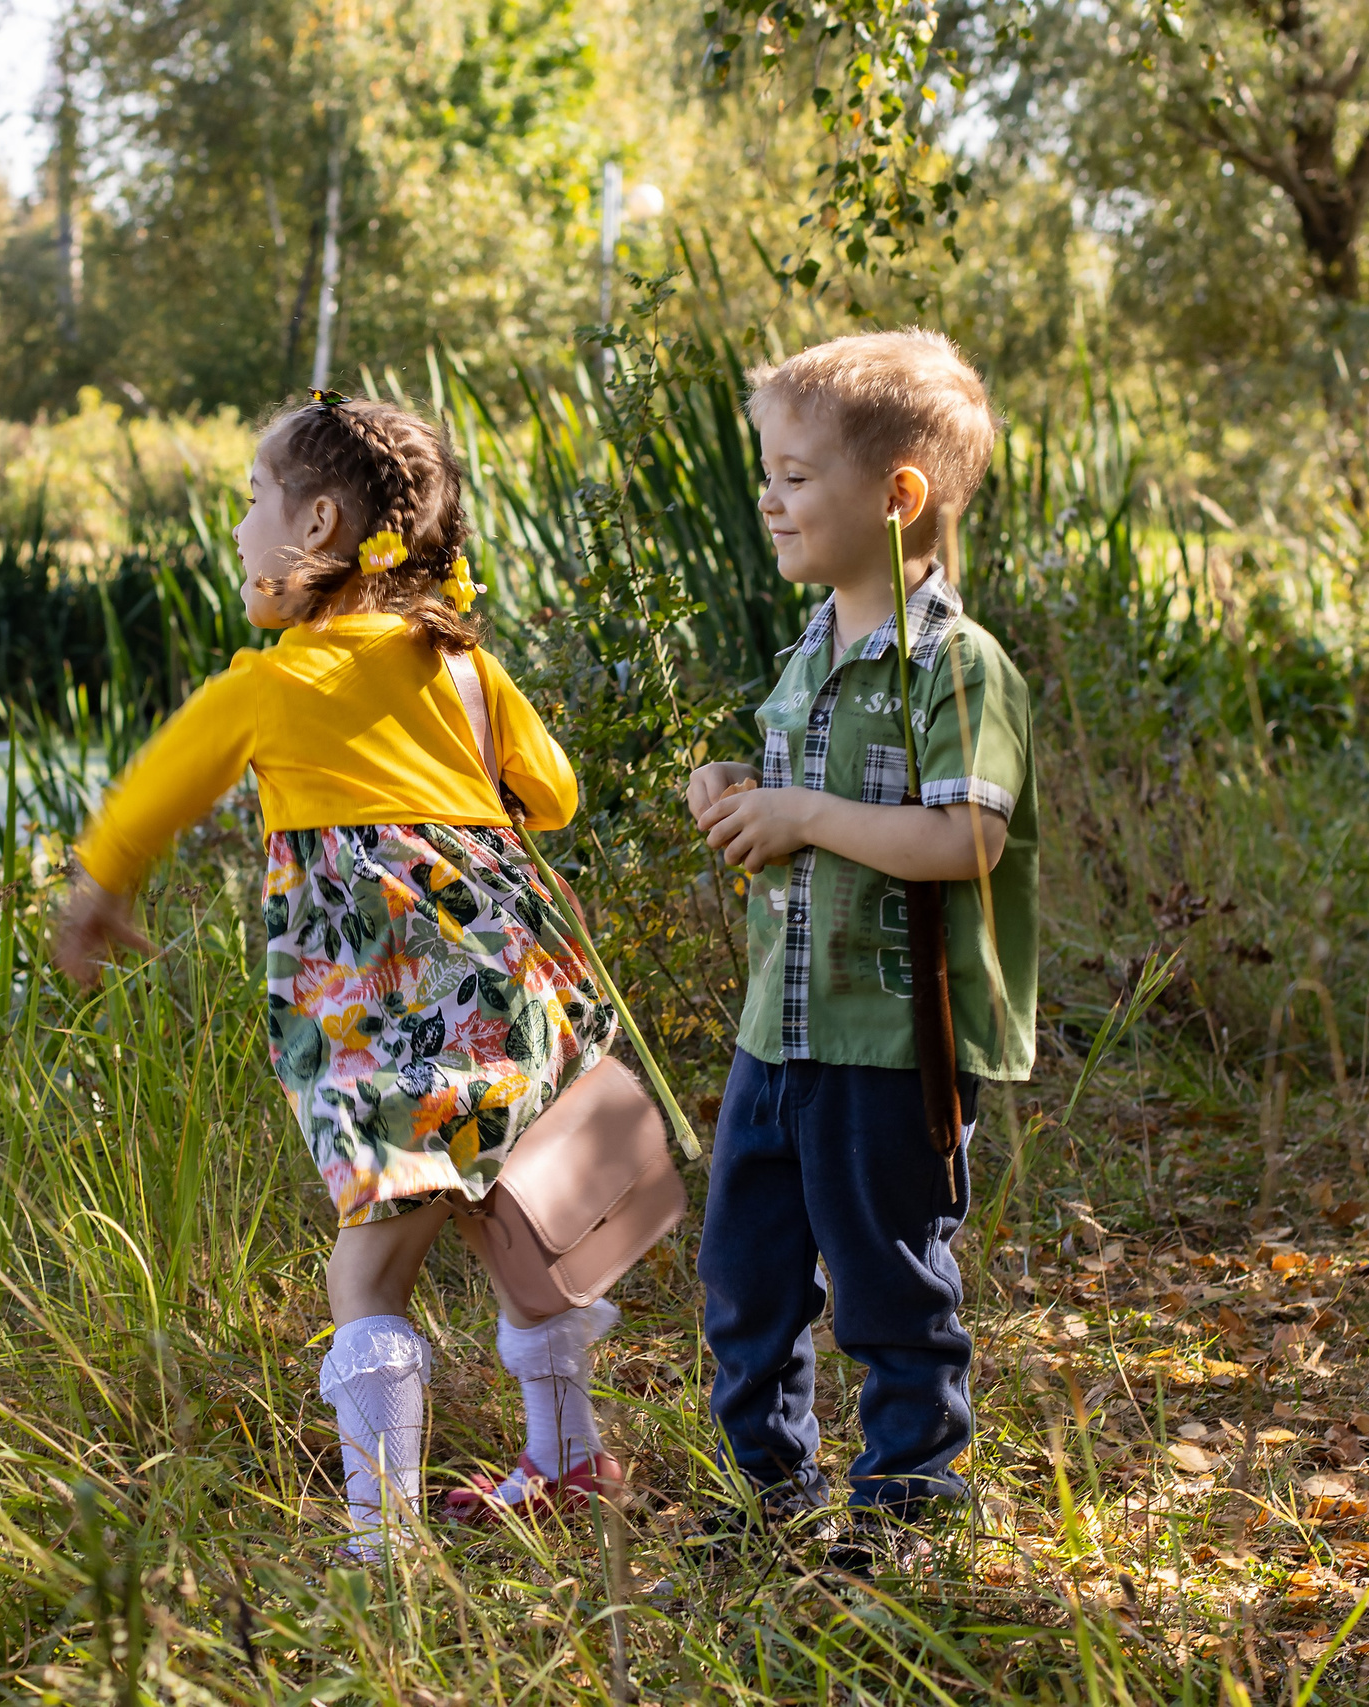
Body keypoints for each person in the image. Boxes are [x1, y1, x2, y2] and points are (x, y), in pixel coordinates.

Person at [53, 391, 624, 1560]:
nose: (243, 528)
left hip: (380, 1009)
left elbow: (149, 800)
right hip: (508, 988)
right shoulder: (467, 672)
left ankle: (385, 1537)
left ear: (316, 526)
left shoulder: (267, 686)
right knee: (513, 1226)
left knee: (370, 1264)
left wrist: (96, 897)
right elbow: (555, 796)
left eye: (253, 502)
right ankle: (568, 1460)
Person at [683, 330, 1038, 1564]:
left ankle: (907, 1510)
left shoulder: (957, 667)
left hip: (889, 1036)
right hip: (774, 1029)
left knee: (890, 1285)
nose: (768, 501)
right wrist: (740, 792)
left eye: (793, 476)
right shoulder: (805, 658)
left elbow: (965, 843)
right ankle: (763, 1494)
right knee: (747, 1279)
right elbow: (799, 824)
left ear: (896, 498)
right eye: (766, 474)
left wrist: (804, 816)